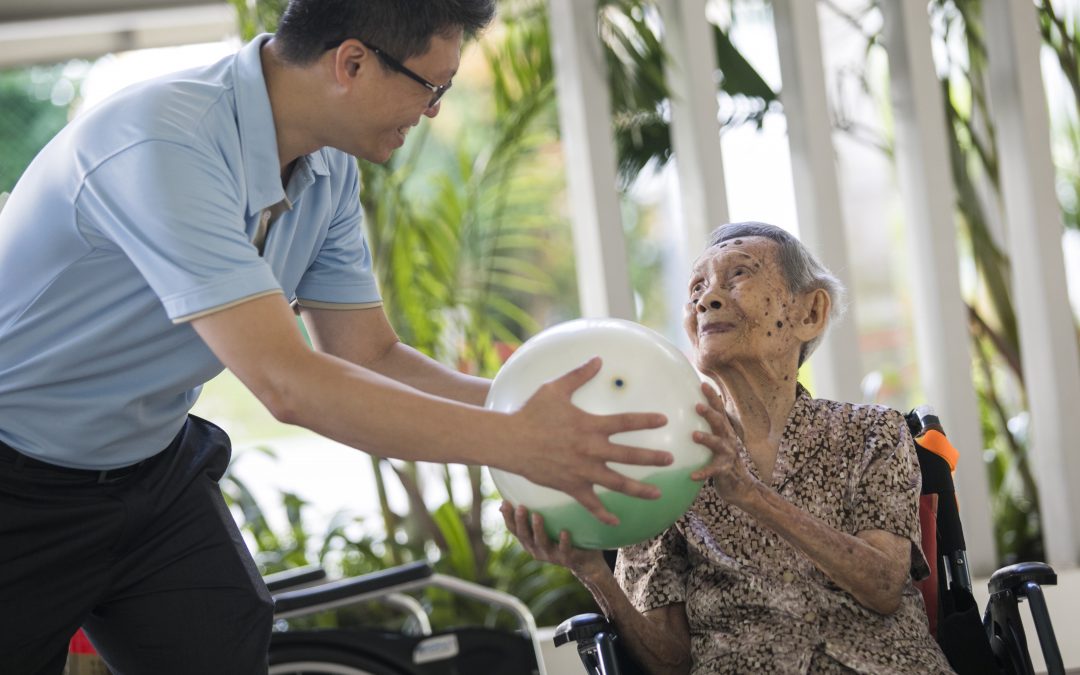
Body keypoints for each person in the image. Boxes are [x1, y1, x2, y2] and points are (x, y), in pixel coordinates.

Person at [0, 2, 677, 673]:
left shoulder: (327, 170)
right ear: (352, 62)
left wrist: (546, 412)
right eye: (432, 86)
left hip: (152, 469)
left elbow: (368, 355)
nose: (436, 109)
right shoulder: (162, 143)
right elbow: (288, 383)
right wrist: (525, 442)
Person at [504, 221, 955, 674]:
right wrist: (594, 573)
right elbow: (670, 663)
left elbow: (883, 585)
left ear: (811, 313)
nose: (707, 298)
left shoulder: (872, 432)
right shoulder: (663, 462)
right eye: (697, 286)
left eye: (738, 275)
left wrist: (752, 496)